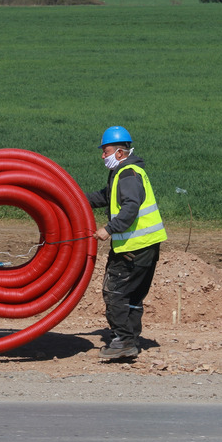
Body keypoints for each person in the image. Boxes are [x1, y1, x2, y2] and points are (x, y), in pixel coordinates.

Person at [85, 126, 167, 359]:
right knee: (133, 296)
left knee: (115, 293)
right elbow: (107, 196)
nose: (103, 155)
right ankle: (130, 339)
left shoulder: (128, 175)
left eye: (106, 150)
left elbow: (131, 206)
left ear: (120, 152)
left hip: (133, 248)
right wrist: (75, 198)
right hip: (146, 246)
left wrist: (109, 229)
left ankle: (123, 340)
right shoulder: (126, 172)